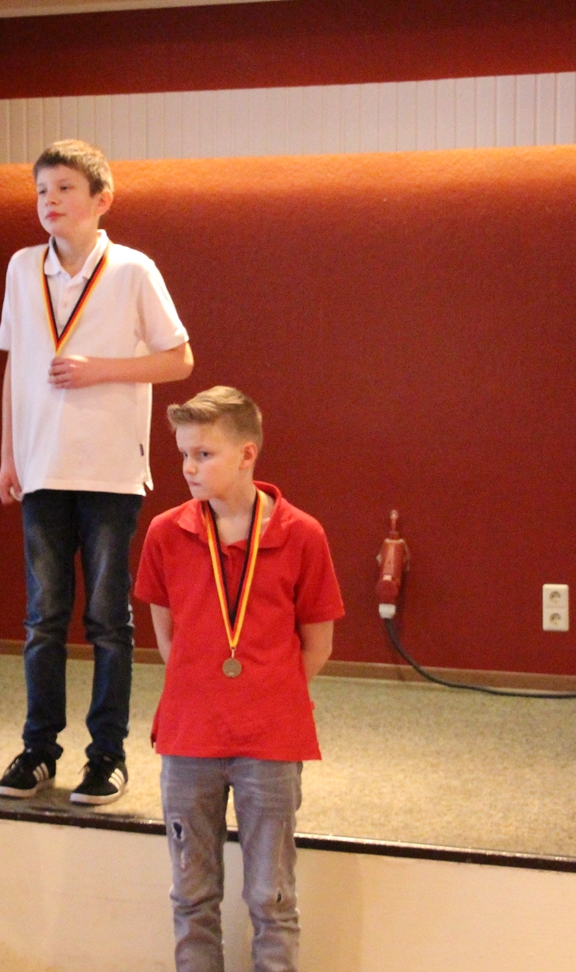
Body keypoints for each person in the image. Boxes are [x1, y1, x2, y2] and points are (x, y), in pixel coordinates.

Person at [0, 139, 193, 806]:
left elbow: (179, 359)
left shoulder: (133, 269)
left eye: (64, 189)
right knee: (42, 619)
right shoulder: (23, 267)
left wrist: (100, 369)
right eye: (41, 190)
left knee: (108, 619)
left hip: (110, 470)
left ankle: (107, 755)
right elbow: (16, 365)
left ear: (102, 199)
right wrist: (9, 454)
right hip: (41, 467)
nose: (49, 201)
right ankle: (38, 750)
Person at [134, 387, 343, 972]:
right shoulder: (165, 533)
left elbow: (318, 644)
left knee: (271, 898)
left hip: (270, 741)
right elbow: (168, 640)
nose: (189, 467)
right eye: (183, 454)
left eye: (204, 455)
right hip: (189, 738)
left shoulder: (303, 534)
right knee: (191, 894)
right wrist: (206, 691)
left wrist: (265, 694)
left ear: (248, 454)